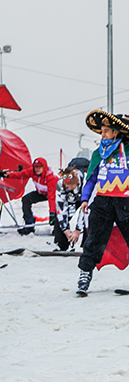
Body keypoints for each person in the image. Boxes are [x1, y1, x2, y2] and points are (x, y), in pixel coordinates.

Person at [76, 110, 129, 294]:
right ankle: (84, 275)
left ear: (116, 132)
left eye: (106, 131)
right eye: (102, 131)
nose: (103, 134)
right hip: (103, 202)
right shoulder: (99, 153)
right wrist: (84, 198)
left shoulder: (127, 149)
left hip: (126, 202)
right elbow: (91, 178)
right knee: (93, 240)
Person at [10, 157, 58, 236]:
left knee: (57, 207)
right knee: (26, 199)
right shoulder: (32, 171)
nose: (37, 169)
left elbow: (51, 197)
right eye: (35, 167)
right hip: (41, 193)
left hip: (54, 193)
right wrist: (7, 175)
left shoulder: (50, 178)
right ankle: (29, 225)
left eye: (39, 167)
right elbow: (20, 174)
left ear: (44, 167)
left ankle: (57, 229)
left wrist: (52, 213)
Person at [54, 165, 86, 251]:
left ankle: (86, 245)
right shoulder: (60, 184)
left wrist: (78, 230)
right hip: (69, 200)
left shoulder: (84, 183)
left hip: (83, 200)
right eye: (67, 185)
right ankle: (61, 244)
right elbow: (60, 208)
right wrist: (66, 230)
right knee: (59, 218)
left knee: (88, 218)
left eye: (72, 185)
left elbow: (84, 210)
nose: (69, 187)